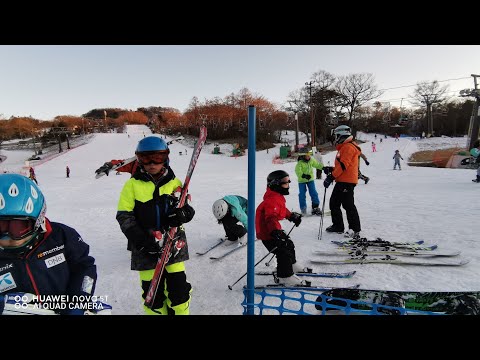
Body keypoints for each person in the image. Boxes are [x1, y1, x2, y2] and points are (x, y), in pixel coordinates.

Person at [116, 136, 195, 315]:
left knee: (179, 292)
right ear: (139, 159)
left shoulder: (175, 183)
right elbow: (124, 216)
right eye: (146, 159)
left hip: (173, 245)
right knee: (153, 297)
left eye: (157, 158)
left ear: (165, 158)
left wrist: (184, 213)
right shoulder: (132, 186)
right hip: (145, 249)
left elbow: (186, 209)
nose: (152, 163)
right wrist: (142, 241)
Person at [0, 174, 98, 315]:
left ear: (38, 220)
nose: (8, 237)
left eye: (18, 228)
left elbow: (84, 267)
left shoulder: (61, 236)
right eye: (1, 227)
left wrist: (79, 302)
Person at [255, 170, 305, 286]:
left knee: (289, 244)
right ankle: (284, 276)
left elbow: (281, 210)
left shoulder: (277, 197)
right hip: (267, 233)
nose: (287, 184)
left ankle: (292, 265)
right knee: (283, 251)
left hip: (272, 231)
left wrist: (291, 216)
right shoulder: (272, 200)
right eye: (284, 182)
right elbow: (270, 218)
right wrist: (275, 231)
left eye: (288, 181)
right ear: (275, 184)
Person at [323, 125, 362, 238]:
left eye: (336, 135)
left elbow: (344, 165)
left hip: (347, 181)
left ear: (341, 135)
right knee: (334, 203)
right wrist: (331, 170)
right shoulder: (344, 147)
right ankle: (338, 226)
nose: (335, 138)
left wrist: (331, 177)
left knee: (348, 205)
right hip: (342, 180)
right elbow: (342, 165)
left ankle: (354, 229)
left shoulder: (348, 147)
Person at [294, 149, 324, 215]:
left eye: (309, 155)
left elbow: (317, 165)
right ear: (303, 156)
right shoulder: (300, 163)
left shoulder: (311, 160)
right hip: (302, 181)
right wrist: (304, 175)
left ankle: (315, 207)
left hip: (310, 180)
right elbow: (298, 171)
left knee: (314, 193)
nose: (309, 157)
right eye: (307, 156)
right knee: (302, 194)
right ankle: (303, 209)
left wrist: (323, 168)